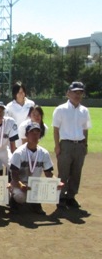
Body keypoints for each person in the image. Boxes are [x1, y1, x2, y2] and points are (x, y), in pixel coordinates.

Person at [52, 81, 91, 211]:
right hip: (66, 144)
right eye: (75, 92)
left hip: (79, 144)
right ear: (68, 93)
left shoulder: (84, 111)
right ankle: (61, 197)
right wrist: (57, 146)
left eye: (80, 93)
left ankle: (71, 196)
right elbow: (56, 129)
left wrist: (85, 144)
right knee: (63, 172)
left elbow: (85, 129)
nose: (77, 95)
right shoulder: (60, 109)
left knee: (76, 172)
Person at [9, 122, 63, 215]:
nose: (35, 135)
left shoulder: (44, 153)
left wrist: (57, 182)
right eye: (32, 133)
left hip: (35, 184)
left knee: (54, 188)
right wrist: (21, 185)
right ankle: (14, 202)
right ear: (26, 135)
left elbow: (48, 173)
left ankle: (35, 204)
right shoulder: (19, 153)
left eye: (37, 133)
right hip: (20, 183)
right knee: (20, 196)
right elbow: (14, 175)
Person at [6, 81, 35, 147]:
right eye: (18, 92)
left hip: (28, 136)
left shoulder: (31, 104)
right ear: (14, 94)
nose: (20, 94)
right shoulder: (9, 106)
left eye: (22, 92)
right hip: (16, 137)